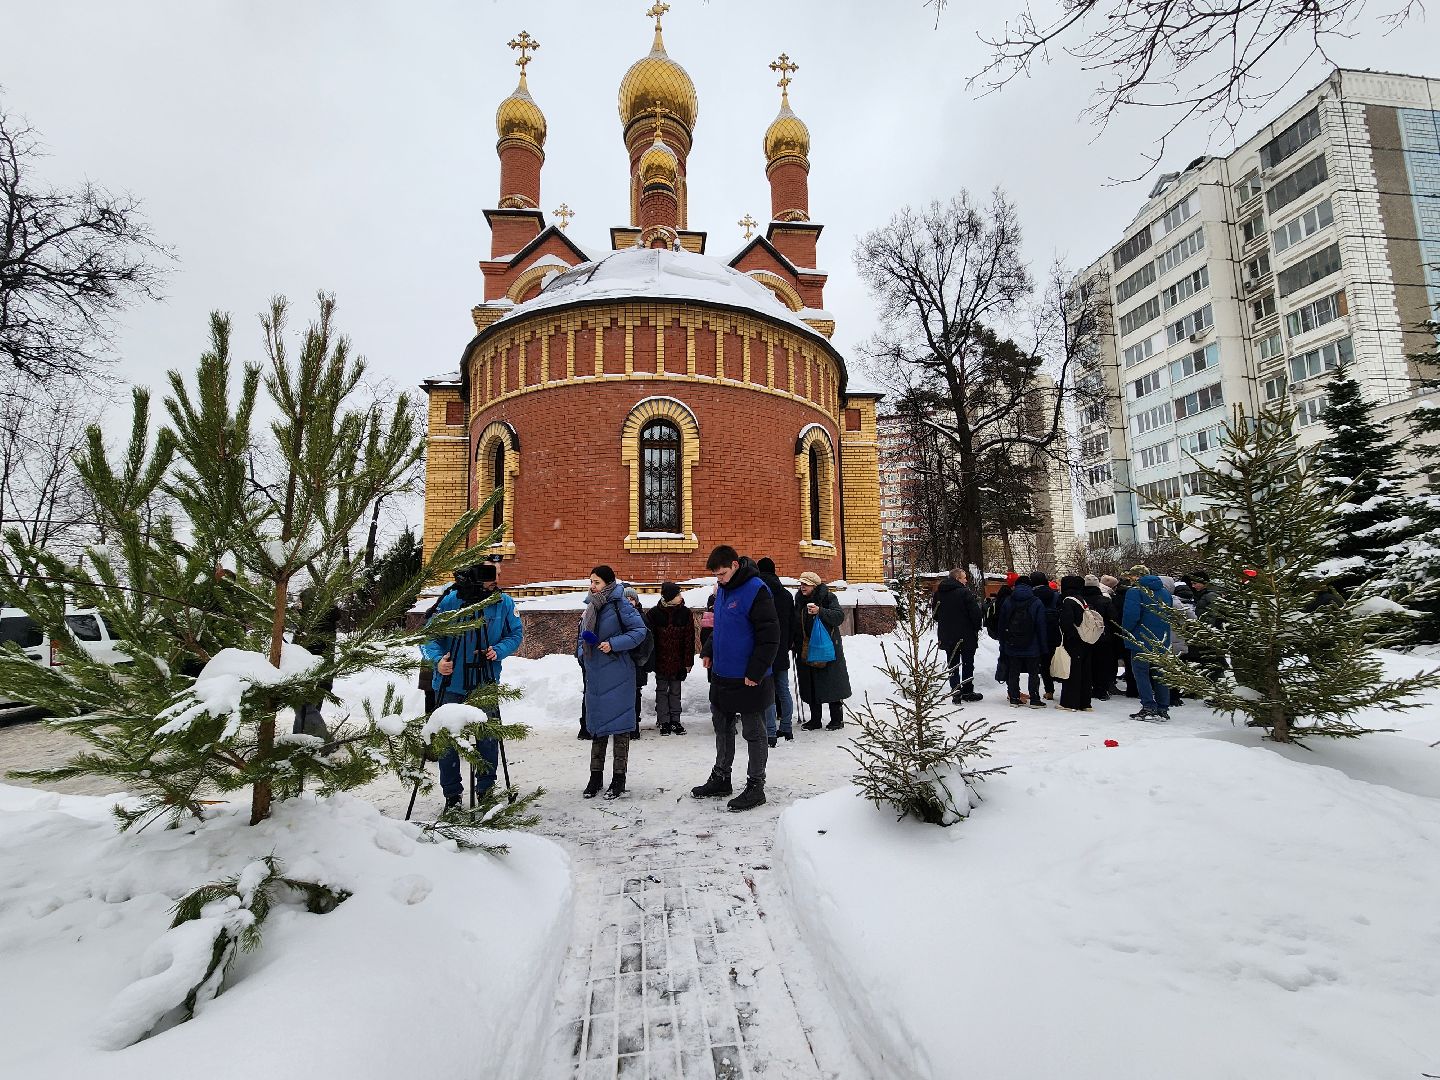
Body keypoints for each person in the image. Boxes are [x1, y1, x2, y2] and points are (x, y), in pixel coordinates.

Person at [420, 562, 523, 809]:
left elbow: (515, 634)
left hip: (485, 679)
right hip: (450, 681)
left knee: (487, 737)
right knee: (448, 740)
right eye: (491, 574)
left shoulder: (503, 602)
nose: (497, 579)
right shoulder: (451, 600)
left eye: (498, 574)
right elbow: (429, 637)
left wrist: (498, 650)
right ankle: (452, 795)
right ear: (476, 575)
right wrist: (437, 661)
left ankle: (486, 790)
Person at [691, 545, 780, 812]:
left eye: (722, 574)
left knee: (754, 732)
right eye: (716, 576)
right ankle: (721, 777)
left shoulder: (757, 590)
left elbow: (770, 636)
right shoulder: (723, 589)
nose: (719, 579)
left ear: (735, 565)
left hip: (748, 677)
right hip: (722, 675)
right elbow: (721, 626)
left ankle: (756, 786)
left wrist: (756, 671)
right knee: (722, 727)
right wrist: (709, 650)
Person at [578, 565, 649, 799]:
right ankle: (595, 777)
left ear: (608, 583)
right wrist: (582, 654)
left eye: (596, 582)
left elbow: (639, 631)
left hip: (619, 673)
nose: (592, 586)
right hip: (596, 675)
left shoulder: (621, 604)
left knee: (620, 728)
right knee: (597, 726)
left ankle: (618, 779)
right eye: (591, 581)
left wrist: (613, 644)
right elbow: (581, 636)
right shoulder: (590, 606)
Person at [793, 571, 853, 730]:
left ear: (814, 585)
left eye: (806, 584)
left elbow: (839, 616)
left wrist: (820, 611)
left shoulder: (828, 598)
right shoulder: (799, 600)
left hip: (827, 648)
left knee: (831, 683)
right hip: (807, 648)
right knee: (811, 684)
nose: (802, 587)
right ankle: (815, 720)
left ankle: (837, 720)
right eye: (801, 584)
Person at [1122, 571, 1174, 721]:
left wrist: (1126, 631)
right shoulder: (1165, 592)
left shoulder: (1135, 592)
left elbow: (1131, 615)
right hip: (1162, 639)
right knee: (1160, 674)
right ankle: (1163, 707)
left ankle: (1148, 706)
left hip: (1141, 638)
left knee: (1141, 674)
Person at [645, 580, 695, 735]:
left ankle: (675, 720)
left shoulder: (685, 613)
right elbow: (650, 639)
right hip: (660, 660)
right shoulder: (654, 613)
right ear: (669, 597)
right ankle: (663, 721)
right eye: (677, 594)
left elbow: (689, 639)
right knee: (661, 690)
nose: (681, 597)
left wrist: (688, 661)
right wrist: (651, 660)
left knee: (675, 691)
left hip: (678, 661)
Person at [756, 557, 796, 744]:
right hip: (781, 648)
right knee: (783, 690)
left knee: (767, 691)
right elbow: (792, 623)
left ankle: (770, 733)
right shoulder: (786, 595)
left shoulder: (758, 592)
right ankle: (786, 728)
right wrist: (788, 644)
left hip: (764, 649)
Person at [934, 567, 984, 703]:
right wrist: (976, 627)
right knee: (968, 663)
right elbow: (975, 613)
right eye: (964, 578)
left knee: (952, 664)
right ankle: (967, 691)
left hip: (947, 635)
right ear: (957, 579)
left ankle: (955, 691)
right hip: (966, 634)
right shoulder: (965, 593)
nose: (966, 581)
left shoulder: (938, 593)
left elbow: (935, 614)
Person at [998, 577, 1048, 708]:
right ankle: (1035, 699)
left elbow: (1002, 624)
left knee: (1013, 672)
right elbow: (1041, 626)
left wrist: (1003, 643)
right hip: (1033, 644)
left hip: (1012, 644)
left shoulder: (1008, 601)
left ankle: (1014, 698)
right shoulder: (1036, 602)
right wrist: (1043, 646)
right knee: (1033, 673)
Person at [1056, 575, 1095, 712]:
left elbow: (1066, 623)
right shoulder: (1082, 599)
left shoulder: (1068, 601)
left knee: (1072, 671)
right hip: (1086, 639)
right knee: (1085, 671)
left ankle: (1070, 702)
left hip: (1074, 640)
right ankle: (1085, 702)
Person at [1028, 572, 1061, 700]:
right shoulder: (1055, 595)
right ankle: (1058, 686)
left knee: (1041, 663)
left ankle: (1047, 690)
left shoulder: (1031, 596)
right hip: (1054, 632)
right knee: (1053, 660)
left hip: (1036, 632)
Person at [1083, 574, 1116, 700]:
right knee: (1102, 664)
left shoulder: (1080, 600)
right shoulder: (1105, 601)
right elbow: (1113, 618)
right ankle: (1101, 689)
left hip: (1085, 636)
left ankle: (1087, 687)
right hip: (1103, 636)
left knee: (1087, 663)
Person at [624, 586, 649, 738]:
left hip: (637, 663)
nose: (629, 601)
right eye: (626, 599)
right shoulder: (618, 616)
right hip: (622, 662)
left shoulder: (642, 617)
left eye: (632, 599)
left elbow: (647, 642)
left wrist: (641, 659)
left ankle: (634, 725)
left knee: (635, 694)